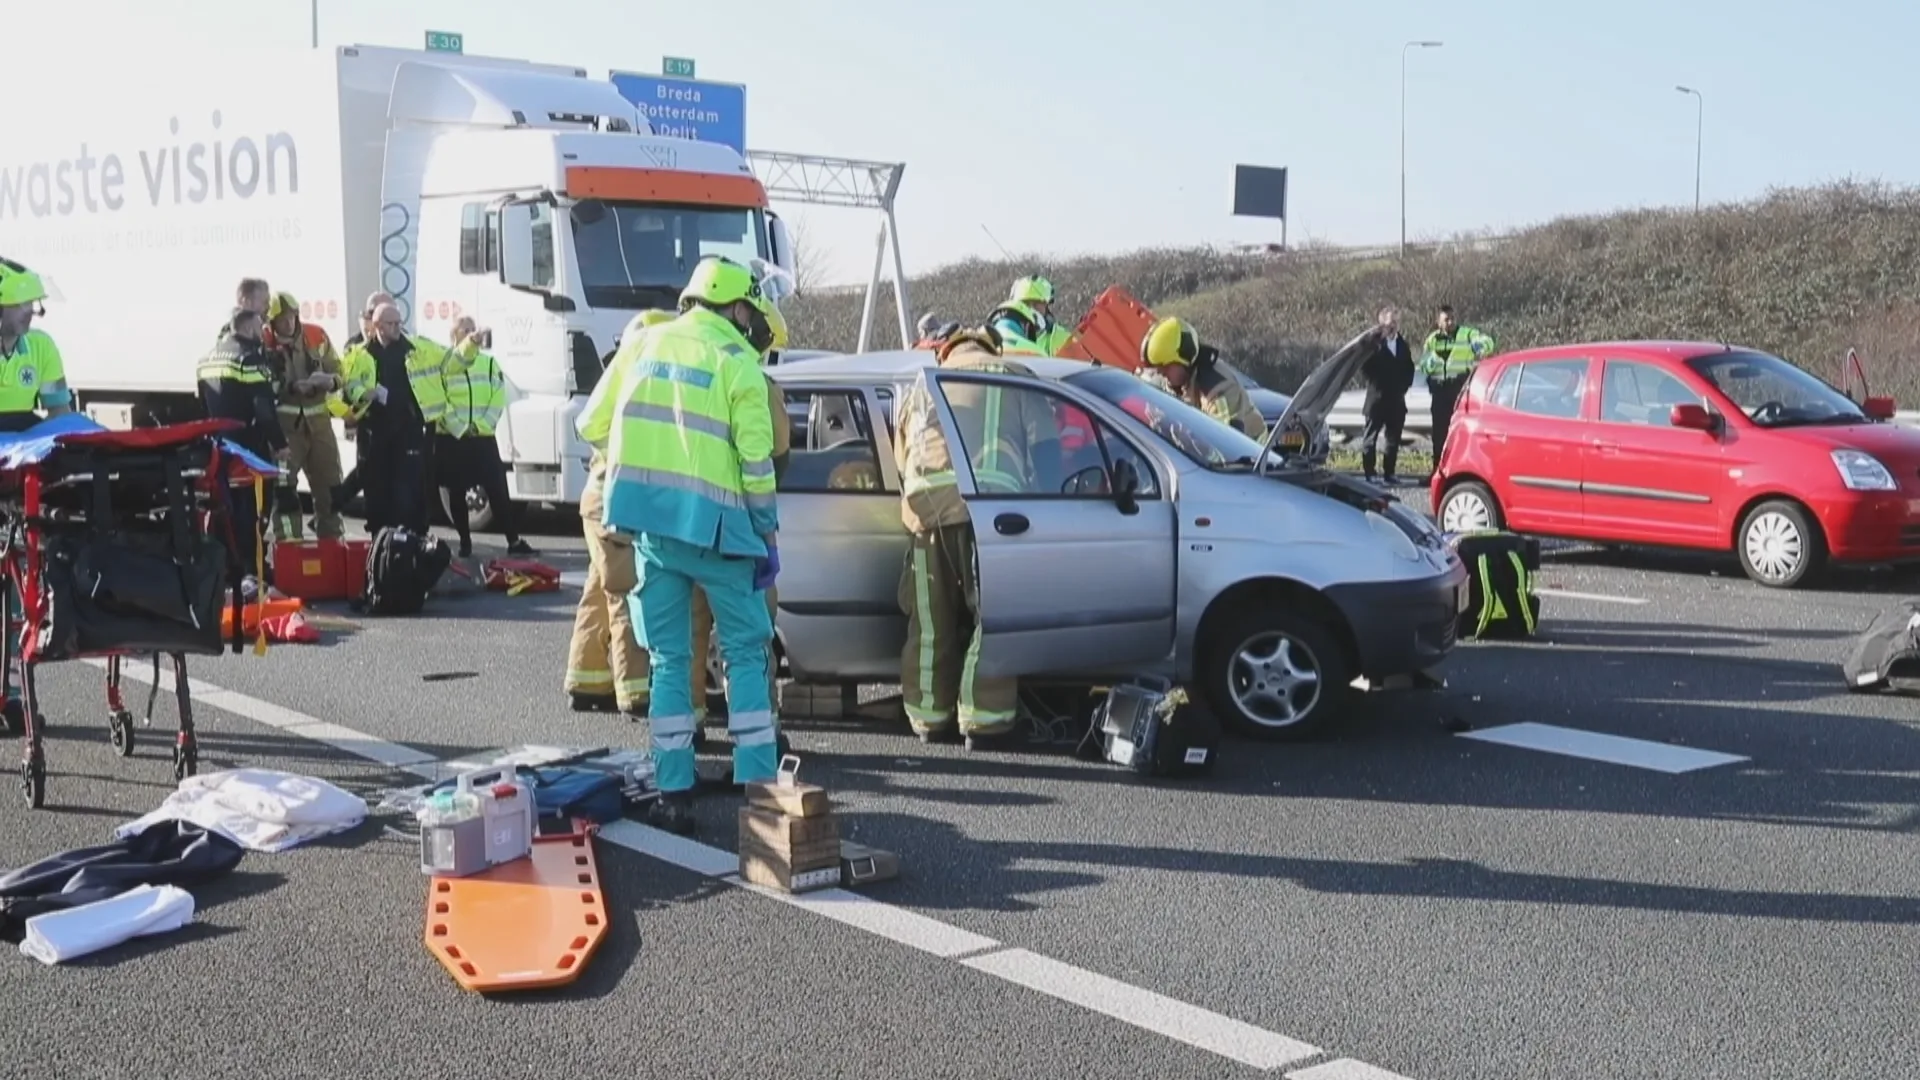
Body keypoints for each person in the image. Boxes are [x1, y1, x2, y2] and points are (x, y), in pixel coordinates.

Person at [599, 255, 781, 835]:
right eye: (750, 309)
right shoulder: (739, 364)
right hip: (723, 532)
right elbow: (757, 464)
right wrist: (768, 533)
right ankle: (759, 785)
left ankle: (673, 792)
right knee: (747, 654)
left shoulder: (641, 345)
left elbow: (592, 424)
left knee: (670, 662)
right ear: (733, 304)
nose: (750, 320)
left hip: (654, 533)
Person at [894, 324, 1061, 748]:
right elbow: (1048, 452)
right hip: (989, 512)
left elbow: (901, 455)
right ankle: (984, 723)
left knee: (931, 622)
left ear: (947, 350)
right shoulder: (1013, 375)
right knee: (993, 618)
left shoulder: (922, 384)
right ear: (993, 346)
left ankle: (928, 720)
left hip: (924, 512)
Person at [687, 262, 795, 739]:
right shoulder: (755, 382)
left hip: (683, 528)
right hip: (739, 533)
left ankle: (688, 728)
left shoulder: (690, 372)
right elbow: (774, 459)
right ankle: (758, 735)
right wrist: (766, 531)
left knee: (685, 641)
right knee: (750, 642)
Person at [566, 309, 675, 719]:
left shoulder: (621, 382)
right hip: (615, 505)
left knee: (599, 591)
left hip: (598, 502)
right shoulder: (642, 388)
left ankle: (586, 681)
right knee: (626, 593)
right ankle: (635, 693)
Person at [197, 307, 287, 588]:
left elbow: (202, 404)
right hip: (250, 446)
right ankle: (251, 568)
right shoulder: (250, 359)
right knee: (254, 507)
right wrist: (280, 444)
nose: (263, 332)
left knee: (224, 505)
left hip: (219, 445)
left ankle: (225, 567)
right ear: (249, 329)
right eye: (260, 326)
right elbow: (264, 411)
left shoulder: (207, 359)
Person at [339, 302, 445, 534]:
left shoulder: (415, 348)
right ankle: (380, 539)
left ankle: (412, 538)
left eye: (399, 323)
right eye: (391, 323)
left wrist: (468, 345)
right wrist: (362, 393)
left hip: (409, 429)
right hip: (374, 430)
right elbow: (348, 385)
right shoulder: (360, 354)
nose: (397, 328)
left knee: (409, 489)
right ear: (377, 326)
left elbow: (450, 360)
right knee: (376, 487)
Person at [436, 317, 536, 559]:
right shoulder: (445, 363)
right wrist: (460, 427)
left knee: (497, 488)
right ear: (454, 336)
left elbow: (497, 397)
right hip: (453, 437)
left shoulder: (490, 363)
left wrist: (481, 425)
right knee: (456, 491)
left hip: (482, 437)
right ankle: (465, 542)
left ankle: (513, 540)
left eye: (474, 330)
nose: (473, 335)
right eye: (466, 330)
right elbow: (439, 400)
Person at [262, 291, 346, 539]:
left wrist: (332, 382)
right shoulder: (263, 343)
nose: (288, 323)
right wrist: (291, 388)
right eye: (282, 319)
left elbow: (338, 369)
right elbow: (262, 388)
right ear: (272, 322)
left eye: (292, 317)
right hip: (285, 431)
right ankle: (289, 546)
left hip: (320, 427)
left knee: (330, 488)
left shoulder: (316, 335)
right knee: (285, 492)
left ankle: (332, 544)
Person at [1137, 316, 1266, 440]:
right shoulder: (1168, 382)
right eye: (1157, 367)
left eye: (1165, 366)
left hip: (1254, 456)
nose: (1160, 372)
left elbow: (1224, 442)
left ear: (1185, 360)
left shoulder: (1217, 388)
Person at [331, 291, 392, 511]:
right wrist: (349, 419)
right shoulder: (355, 346)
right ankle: (335, 502)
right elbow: (347, 385)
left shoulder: (396, 339)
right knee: (366, 469)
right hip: (367, 417)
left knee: (384, 470)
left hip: (392, 417)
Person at [0, 259, 74, 433]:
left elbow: (59, 410)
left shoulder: (42, 347)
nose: (29, 311)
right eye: (20, 304)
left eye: (31, 303)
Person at [1420, 305, 1495, 471]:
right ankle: (1437, 470)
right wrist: (1431, 361)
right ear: (1438, 322)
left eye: (1452, 318)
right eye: (1446, 319)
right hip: (1439, 391)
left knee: (1461, 432)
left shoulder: (1466, 334)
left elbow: (1488, 342)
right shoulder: (1432, 340)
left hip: (1459, 390)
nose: (1450, 322)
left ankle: (1458, 469)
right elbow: (1423, 366)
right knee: (1439, 434)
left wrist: (1480, 346)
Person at [1359, 306, 1416, 485]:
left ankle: (1389, 473)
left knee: (1393, 440)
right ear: (1381, 323)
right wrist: (1377, 384)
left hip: (1396, 400)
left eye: (1396, 322)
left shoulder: (1402, 344)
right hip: (1376, 400)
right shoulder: (1373, 345)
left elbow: (1409, 369)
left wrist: (1403, 388)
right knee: (1370, 439)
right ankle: (1370, 473)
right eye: (1390, 322)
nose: (1393, 326)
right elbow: (1364, 368)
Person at [987, 275, 1073, 356]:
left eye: (1036, 304)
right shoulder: (1001, 335)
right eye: (1025, 303)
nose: (1031, 309)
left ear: (1046, 305)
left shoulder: (1063, 339)